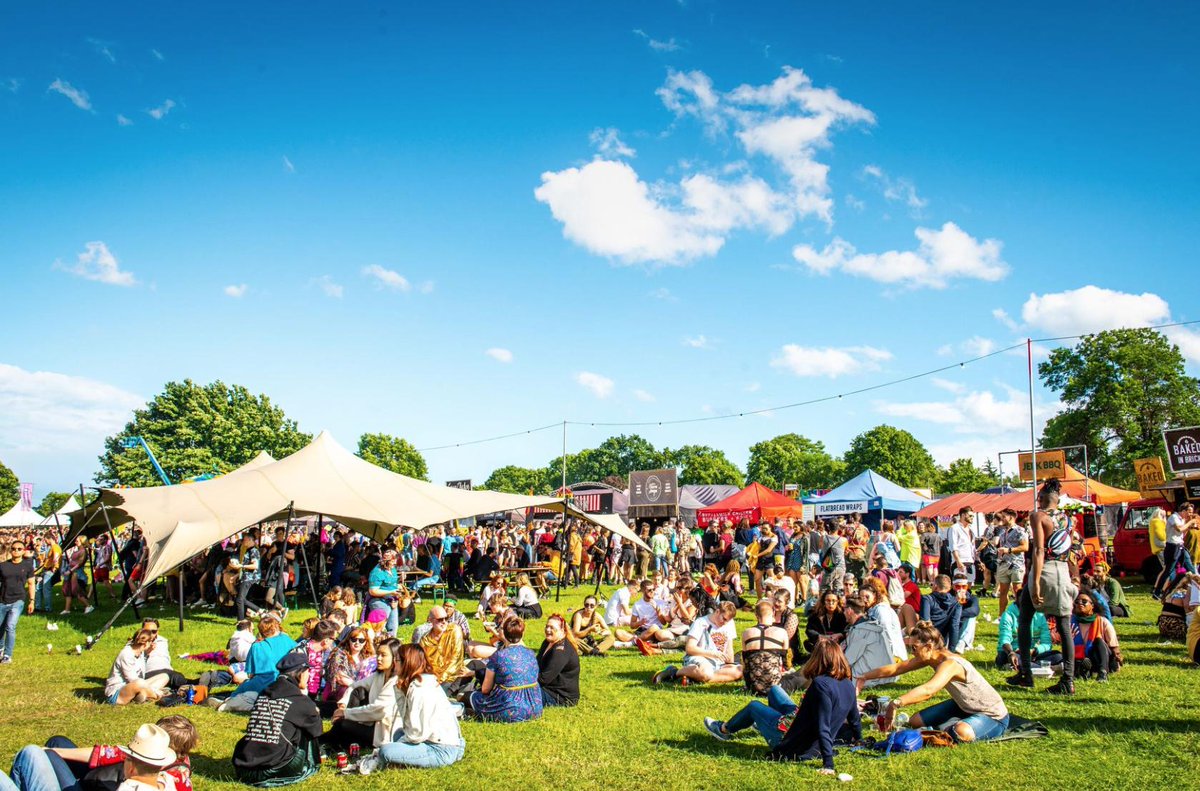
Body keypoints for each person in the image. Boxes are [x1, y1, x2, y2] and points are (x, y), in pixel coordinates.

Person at [703, 639, 860, 775]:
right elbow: (854, 718)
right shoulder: (847, 683)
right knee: (775, 690)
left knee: (754, 706)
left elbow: (823, 726)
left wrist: (828, 764)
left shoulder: (821, 685)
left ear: (818, 659)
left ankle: (724, 729)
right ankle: (764, 723)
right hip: (800, 723)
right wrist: (859, 740)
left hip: (795, 742)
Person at [859, 621, 1010, 743]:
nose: (912, 652)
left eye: (914, 648)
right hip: (962, 706)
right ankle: (953, 724)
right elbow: (897, 668)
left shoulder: (951, 664)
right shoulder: (930, 658)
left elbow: (928, 691)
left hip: (992, 715)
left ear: (929, 647)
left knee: (960, 733)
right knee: (915, 721)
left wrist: (896, 703)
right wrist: (864, 676)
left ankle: (954, 727)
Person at [1009, 478, 1077, 694]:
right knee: (1064, 625)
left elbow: (1039, 550)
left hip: (1045, 570)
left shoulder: (1038, 516)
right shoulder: (1067, 519)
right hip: (1062, 571)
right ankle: (1068, 679)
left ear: (1040, 499)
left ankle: (1026, 673)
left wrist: (1035, 581)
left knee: (1024, 619)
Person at [357, 645, 466, 773]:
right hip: (431, 740)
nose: (394, 664)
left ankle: (392, 760)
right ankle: (399, 760)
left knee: (386, 751)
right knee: (398, 733)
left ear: (406, 663)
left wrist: (384, 748)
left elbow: (417, 733)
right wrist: (399, 688)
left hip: (441, 748)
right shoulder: (414, 682)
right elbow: (407, 721)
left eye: (396, 661)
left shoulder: (420, 688)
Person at [29, 714, 196, 791]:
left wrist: (52, 752)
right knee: (57, 741)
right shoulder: (180, 772)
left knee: (50, 754)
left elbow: (104, 754)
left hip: (95, 784)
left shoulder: (148, 762)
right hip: (99, 778)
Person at [232, 653, 322, 787]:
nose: (308, 676)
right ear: (300, 673)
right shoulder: (301, 701)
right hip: (273, 768)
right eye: (308, 671)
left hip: (243, 768)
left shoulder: (264, 693)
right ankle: (310, 766)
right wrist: (315, 712)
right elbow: (316, 731)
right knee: (307, 727)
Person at [323, 637, 401, 750]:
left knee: (342, 724)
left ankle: (331, 740)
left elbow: (378, 710)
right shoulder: (379, 675)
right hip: (370, 722)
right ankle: (336, 739)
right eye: (378, 654)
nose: (378, 658)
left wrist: (346, 713)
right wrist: (343, 704)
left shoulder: (396, 681)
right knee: (358, 691)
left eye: (383, 655)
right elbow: (354, 686)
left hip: (384, 733)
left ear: (395, 658)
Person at [467, 616, 543, 723]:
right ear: (522, 633)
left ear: (504, 634)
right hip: (535, 708)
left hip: (508, 710)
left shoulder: (498, 656)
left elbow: (485, 689)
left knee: (471, 696)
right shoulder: (530, 653)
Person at [652, 601, 742, 686]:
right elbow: (690, 648)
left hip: (718, 663)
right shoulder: (701, 623)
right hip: (700, 658)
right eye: (724, 619)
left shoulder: (729, 624)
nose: (725, 623)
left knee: (740, 671)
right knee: (706, 673)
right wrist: (713, 654)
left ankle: (693, 677)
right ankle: (674, 672)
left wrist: (730, 663)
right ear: (717, 611)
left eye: (728, 621)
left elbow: (729, 646)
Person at [995, 590, 1062, 671]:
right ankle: (1042, 668)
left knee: (1058, 656)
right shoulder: (1008, 615)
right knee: (1009, 658)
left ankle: (1030, 667)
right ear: (1017, 600)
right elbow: (1004, 641)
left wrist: (1035, 651)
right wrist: (1011, 652)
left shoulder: (1040, 616)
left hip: (1032, 653)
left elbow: (1047, 643)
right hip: (1012, 652)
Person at [841, 593, 898, 686]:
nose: (843, 613)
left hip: (872, 679)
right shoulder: (872, 624)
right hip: (887, 676)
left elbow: (847, 660)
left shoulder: (861, 630)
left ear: (849, 611)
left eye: (844, 610)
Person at [105, 629, 169, 705]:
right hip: (117, 693)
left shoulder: (140, 652)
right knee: (140, 682)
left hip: (136, 686)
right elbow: (132, 679)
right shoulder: (126, 654)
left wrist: (148, 652)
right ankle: (157, 695)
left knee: (165, 676)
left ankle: (143, 695)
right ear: (145, 643)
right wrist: (153, 690)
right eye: (151, 641)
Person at [740, 599, 789, 696]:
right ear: (773, 613)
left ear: (756, 615)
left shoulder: (746, 633)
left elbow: (745, 663)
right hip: (776, 687)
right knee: (801, 675)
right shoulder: (782, 632)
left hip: (753, 686)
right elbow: (786, 662)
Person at [1070, 592, 1122, 682]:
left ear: (1092, 605)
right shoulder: (1070, 623)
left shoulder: (1102, 621)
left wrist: (1118, 657)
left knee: (1098, 640)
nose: (1080, 604)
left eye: (1084, 601)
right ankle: (1084, 671)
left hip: (1102, 658)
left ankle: (1103, 673)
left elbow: (1114, 646)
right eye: (1077, 602)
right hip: (1081, 659)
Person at [0, 538, 37, 664]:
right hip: (2, 600)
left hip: (18, 600)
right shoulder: (3, 566)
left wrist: (32, 601)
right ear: (11, 550)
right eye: (14, 549)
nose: (16, 551)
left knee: (10, 626)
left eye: (19, 549)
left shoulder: (27, 566)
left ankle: (7, 655)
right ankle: (0, 648)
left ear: (23, 551)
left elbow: (31, 584)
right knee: (0, 627)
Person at [418, 606, 470, 693]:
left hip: (453, 675)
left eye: (446, 618)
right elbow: (423, 663)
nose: (444, 622)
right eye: (440, 620)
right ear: (430, 620)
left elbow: (456, 659)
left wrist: (440, 679)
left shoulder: (454, 630)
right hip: (433, 678)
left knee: (436, 695)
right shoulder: (425, 640)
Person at [1154, 502, 1198, 600]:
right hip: (1172, 547)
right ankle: (1157, 592)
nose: (1190, 514)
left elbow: (1182, 533)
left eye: (1191, 512)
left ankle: (1196, 589)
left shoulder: (1182, 519)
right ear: (1183, 511)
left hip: (1181, 546)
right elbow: (1179, 529)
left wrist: (1190, 524)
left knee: (1191, 569)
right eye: (1189, 512)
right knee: (1169, 571)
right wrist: (1190, 522)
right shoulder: (1174, 517)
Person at [537, 614, 580, 707]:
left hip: (560, 697)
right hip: (547, 688)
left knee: (521, 692)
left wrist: (524, 681)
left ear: (562, 630)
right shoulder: (547, 642)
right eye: (547, 626)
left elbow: (543, 679)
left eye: (552, 628)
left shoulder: (561, 651)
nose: (548, 630)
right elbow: (536, 664)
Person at [992, 509, 1029, 616]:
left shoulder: (1019, 530)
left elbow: (1025, 547)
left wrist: (1009, 550)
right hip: (1004, 564)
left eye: (1004, 517)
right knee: (1003, 592)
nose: (1002, 519)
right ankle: (1001, 616)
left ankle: (1021, 615)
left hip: (1016, 565)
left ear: (1011, 518)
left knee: (1017, 591)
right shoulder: (1003, 531)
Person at [630, 579, 676, 654]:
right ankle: (643, 641)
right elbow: (632, 625)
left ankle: (633, 642)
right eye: (649, 590)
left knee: (654, 627)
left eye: (653, 589)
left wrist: (657, 609)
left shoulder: (660, 602)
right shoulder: (637, 604)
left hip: (655, 631)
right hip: (642, 630)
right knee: (618, 633)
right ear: (642, 591)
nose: (652, 591)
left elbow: (664, 623)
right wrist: (640, 623)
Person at [920, 575, 962, 652]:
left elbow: (925, 621)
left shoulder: (927, 599)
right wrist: (951, 650)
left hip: (926, 640)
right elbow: (954, 627)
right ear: (949, 588)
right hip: (942, 641)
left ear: (935, 586)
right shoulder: (957, 604)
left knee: (908, 608)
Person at [366, 550, 403, 635]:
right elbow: (373, 591)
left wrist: (398, 586)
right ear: (386, 561)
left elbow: (392, 583)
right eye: (393, 561)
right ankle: (375, 642)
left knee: (393, 627)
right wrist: (391, 592)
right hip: (378, 600)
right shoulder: (377, 572)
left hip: (392, 599)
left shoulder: (392, 569)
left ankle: (391, 643)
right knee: (379, 626)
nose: (395, 563)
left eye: (395, 561)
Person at [230, 531, 261, 620]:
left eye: (245, 540)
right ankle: (260, 611)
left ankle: (240, 621)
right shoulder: (247, 550)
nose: (243, 542)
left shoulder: (254, 551)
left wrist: (241, 566)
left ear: (250, 540)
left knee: (240, 600)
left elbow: (255, 566)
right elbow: (244, 567)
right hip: (245, 577)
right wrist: (236, 575)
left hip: (250, 578)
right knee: (241, 599)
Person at [60, 536, 93, 616]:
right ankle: (67, 609)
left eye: (77, 541)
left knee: (76, 591)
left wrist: (70, 571)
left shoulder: (83, 552)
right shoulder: (77, 551)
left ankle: (88, 606)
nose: (75, 542)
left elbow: (80, 563)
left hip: (76, 573)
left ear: (82, 541)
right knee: (67, 590)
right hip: (70, 572)